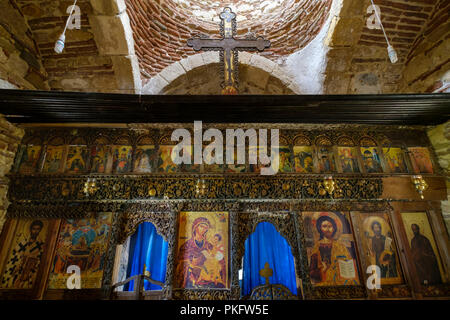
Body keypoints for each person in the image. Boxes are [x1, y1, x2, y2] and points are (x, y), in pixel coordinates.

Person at [176, 217, 225, 288]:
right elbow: (180, 263)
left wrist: (218, 264)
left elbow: (219, 261)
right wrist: (191, 264)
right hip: (191, 277)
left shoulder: (209, 245)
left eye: (205, 228)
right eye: (201, 226)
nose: (203, 229)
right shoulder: (186, 245)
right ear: (195, 227)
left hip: (209, 276)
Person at [309, 215, 357, 286]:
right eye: (324, 226)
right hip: (324, 282)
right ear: (320, 228)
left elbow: (349, 264)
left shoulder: (340, 246)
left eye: (330, 226)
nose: (328, 229)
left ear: (334, 228)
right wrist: (323, 270)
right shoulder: (317, 247)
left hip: (341, 281)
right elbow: (312, 272)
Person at [1, 220, 45, 289]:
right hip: (18, 270)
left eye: (38, 229)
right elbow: (14, 255)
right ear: (30, 229)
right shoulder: (23, 243)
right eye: (34, 229)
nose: (35, 231)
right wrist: (20, 260)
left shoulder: (40, 245)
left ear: (40, 230)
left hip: (29, 272)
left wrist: (33, 262)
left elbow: (40, 260)